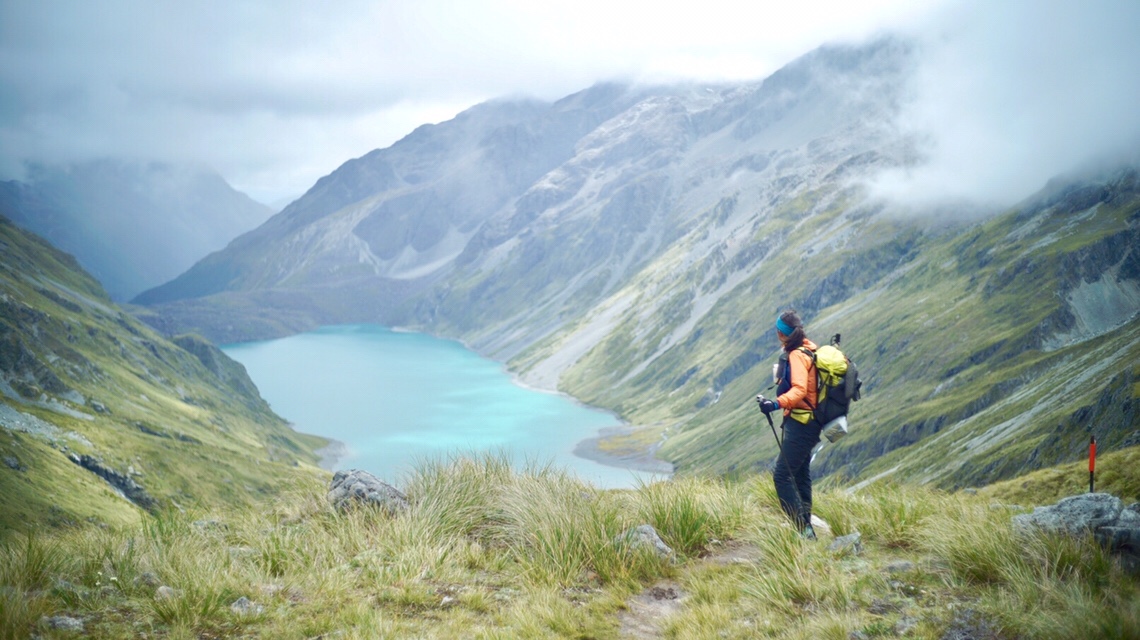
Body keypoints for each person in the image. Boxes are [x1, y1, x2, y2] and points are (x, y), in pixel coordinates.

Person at [758, 309, 822, 540]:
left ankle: (804, 531)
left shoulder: (796, 355)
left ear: (781, 334)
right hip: (811, 422)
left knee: (782, 476)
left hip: (801, 423)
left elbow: (800, 389)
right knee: (800, 474)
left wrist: (774, 404)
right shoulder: (809, 348)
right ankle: (807, 527)